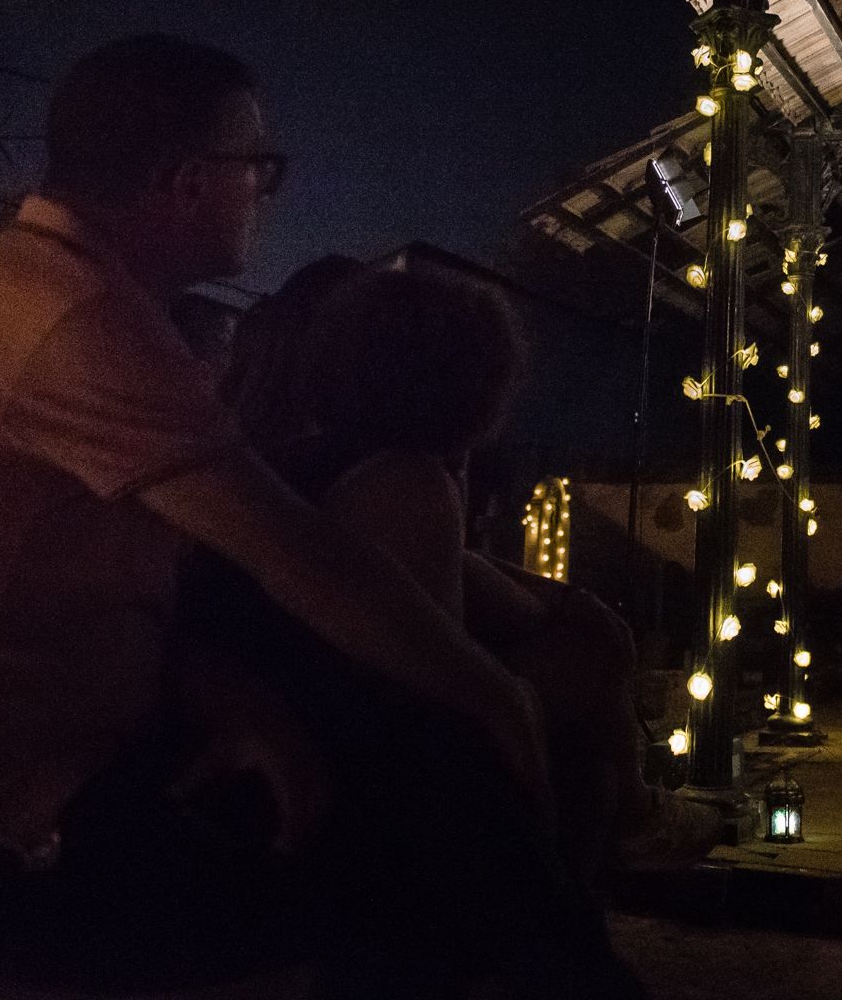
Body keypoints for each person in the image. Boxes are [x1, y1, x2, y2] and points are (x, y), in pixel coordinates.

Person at [0, 35, 635, 997]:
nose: (265, 191)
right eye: (261, 166)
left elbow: (95, 593)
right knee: (427, 785)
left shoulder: (28, 294)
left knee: (407, 802)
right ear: (189, 180)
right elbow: (298, 556)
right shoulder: (70, 319)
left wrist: (225, 695)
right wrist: (494, 697)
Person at [218, 256, 718, 882]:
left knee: (587, 647)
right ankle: (621, 834)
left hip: (305, 691)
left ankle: (627, 825)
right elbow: (435, 658)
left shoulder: (312, 458)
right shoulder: (403, 483)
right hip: (349, 730)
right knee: (584, 663)